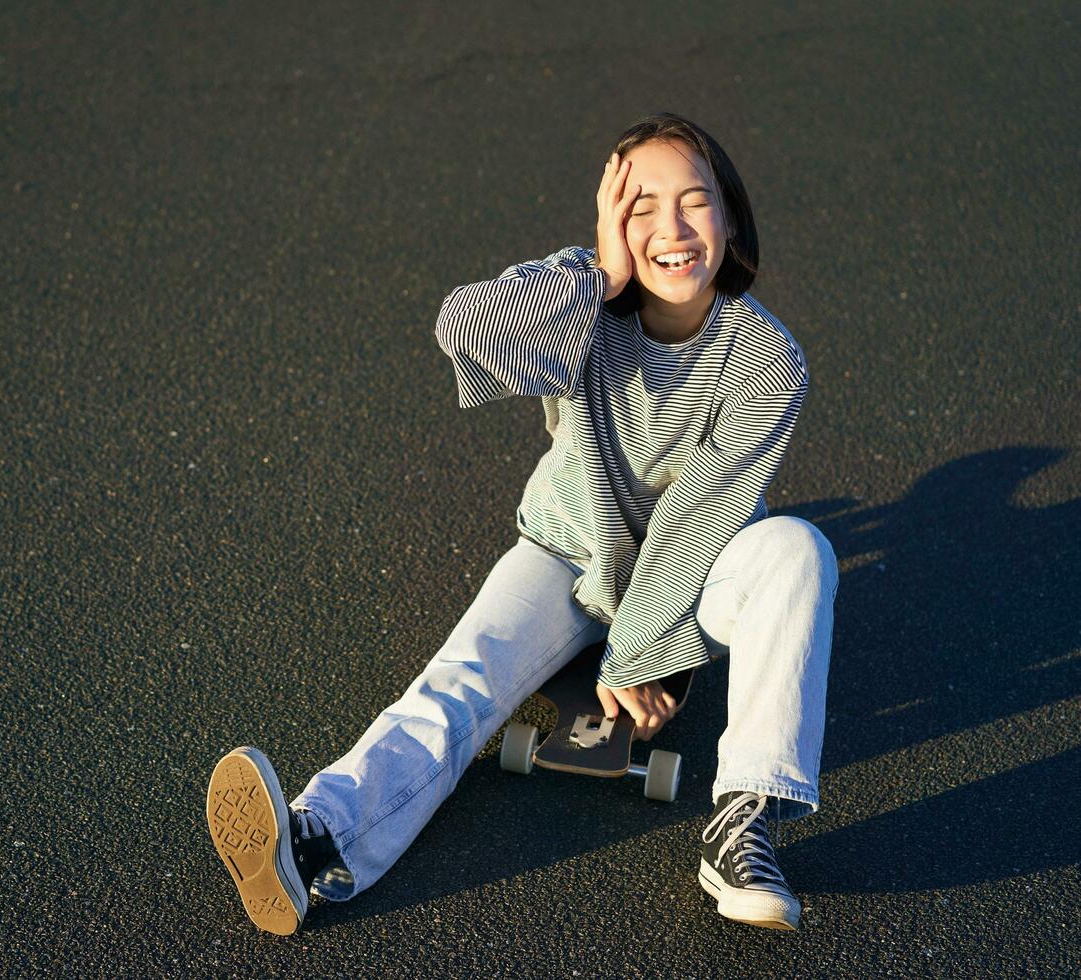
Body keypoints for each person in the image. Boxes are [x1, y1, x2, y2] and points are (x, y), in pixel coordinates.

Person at [205, 112, 838, 935]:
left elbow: (695, 518)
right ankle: (314, 837)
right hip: (567, 550)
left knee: (797, 547)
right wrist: (598, 277)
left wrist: (642, 658)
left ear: (730, 216)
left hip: (697, 572)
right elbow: (460, 326)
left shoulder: (765, 360)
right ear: (611, 218)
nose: (672, 230)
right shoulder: (579, 296)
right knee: (457, 684)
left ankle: (744, 827)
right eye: (641, 206)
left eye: (696, 202)